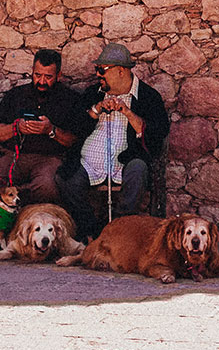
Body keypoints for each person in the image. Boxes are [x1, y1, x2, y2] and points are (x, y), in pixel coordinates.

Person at [59, 44, 169, 236]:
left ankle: (119, 230)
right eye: (97, 70)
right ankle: (91, 231)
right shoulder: (93, 93)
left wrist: (127, 112)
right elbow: (74, 126)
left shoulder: (148, 97)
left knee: (138, 170)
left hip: (125, 160)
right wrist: (96, 109)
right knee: (65, 180)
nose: (98, 75)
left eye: (102, 70)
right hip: (90, 161)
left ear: (120, 71)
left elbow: (157, 134)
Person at [0, 48, 91, 208]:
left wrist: (51, 131)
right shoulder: (16, 95)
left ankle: (16, 200)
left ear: (59, 76)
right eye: (38, 75)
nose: (42, 81)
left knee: (47, 189)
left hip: (50, 159)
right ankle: (8, 213)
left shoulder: (71, 99)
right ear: (32, 71)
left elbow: (74, 140)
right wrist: (15, 127)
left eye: (48, 77)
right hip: (14, 156)